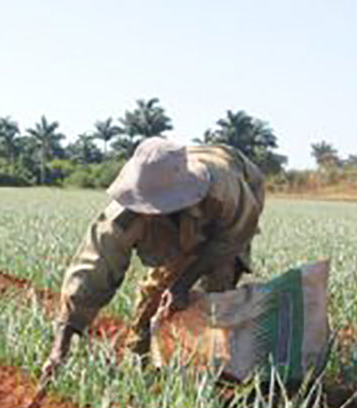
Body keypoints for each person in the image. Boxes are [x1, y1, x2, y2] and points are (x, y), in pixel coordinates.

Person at [42, 137, 266, 376]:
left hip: (236, 194)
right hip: (185, 202)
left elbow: (230, 240)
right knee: (155, 294)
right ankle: (140, 358)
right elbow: (91, 270)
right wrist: (60, 346)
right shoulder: (121, 216)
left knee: (214, 289)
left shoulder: (224, 190)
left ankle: (205, 367)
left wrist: (183, 284)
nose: (148, 213)